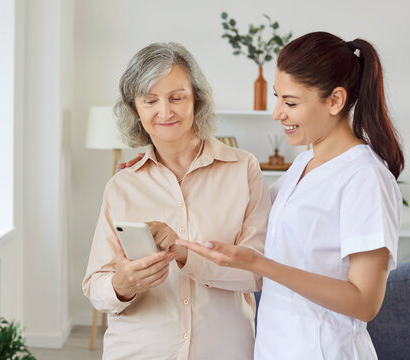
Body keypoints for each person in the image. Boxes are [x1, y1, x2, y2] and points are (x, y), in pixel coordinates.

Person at [175, 32, 404, 359]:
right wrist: (164, 169)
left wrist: (261, 264)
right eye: (277, 97)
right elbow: (240, 207)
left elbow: (365, 302)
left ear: (336, 101)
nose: (277, 112)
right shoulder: (302, 165)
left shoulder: (364, 177)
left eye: (291, 102)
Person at [82, 42, 271, 359]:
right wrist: (121, 284)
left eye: (177, 97)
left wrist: (185, 254)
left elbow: (257, 272)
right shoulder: (121, 186)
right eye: (150, 100)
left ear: (197, 100)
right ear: (135, 110)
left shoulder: (243, 169)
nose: (165, 111)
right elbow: (95, 288)